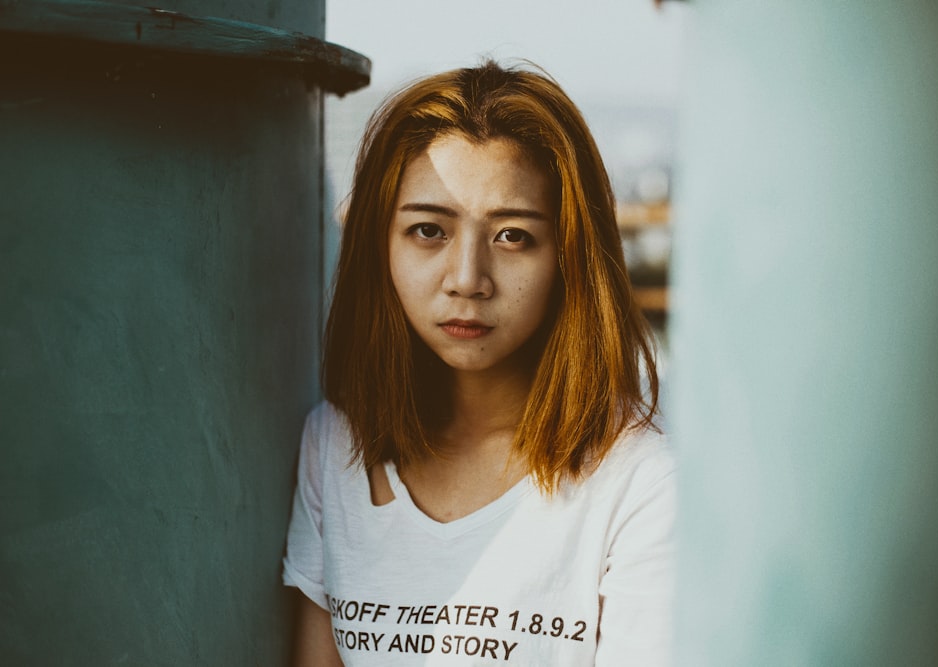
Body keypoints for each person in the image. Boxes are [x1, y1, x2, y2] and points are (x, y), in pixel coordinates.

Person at [282, 60, 675, 666]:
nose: (467, 280)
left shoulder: (637, 482)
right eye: (428, 230)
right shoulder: (335, 448)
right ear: (377, 244)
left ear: (569, 255)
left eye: (513, 236)